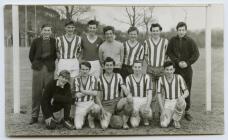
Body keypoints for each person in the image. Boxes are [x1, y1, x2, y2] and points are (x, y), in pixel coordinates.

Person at [166, 22, 200, 121]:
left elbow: (196, 54)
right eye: (179, 30)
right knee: (175, 89)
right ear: (177, 30)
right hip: (175, 69)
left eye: (183, 30)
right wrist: (176, 61)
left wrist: (187, 63)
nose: (181, 32)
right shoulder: (172, 40)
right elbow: (169, 52)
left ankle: (187, 111)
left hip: (187, 70)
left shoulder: (190, 41)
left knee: (187, 90)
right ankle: (175, 109)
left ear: (185, 30)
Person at [29, 24, 57, 124]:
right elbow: (31, 55)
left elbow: (54, 56)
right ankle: (34, 115)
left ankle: (47, 115)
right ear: (41, 31)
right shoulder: (36, 41)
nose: (47, 32)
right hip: (38, 69)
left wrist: (49, 64)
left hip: (49, 69)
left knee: (48, 92)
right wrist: (37, 64)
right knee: (36, 93)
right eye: (45, 30)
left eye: (49, 30)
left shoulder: (54, 41)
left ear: (51, 31)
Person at [96, 57, 133, 129]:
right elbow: (97, 96)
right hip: (106, 104)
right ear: (103, 66)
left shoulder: (118, 76)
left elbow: (124, 88)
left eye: (110, 65)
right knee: (104, 126)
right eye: (107, 65)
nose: (109, 67)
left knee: (128, 100)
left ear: (113, 66)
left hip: (117, 102)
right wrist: (102, 109)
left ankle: (124, 122)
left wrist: (129, 94)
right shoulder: (99, 79)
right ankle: (112, 117)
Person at [144, 23, 169, 118]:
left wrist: (162, 64)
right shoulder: (147, 42)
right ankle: (150, 111)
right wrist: (150, 63)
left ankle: (160, 111)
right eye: (153, 31)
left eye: (157, 31)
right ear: (151, 31)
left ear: (160, 31)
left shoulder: (165, 41)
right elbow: (146, 55)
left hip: (161, 69)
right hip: (150, 69)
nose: (155, 32)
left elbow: (167, 54)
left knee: (161, 91)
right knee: (151, 91)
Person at [157, 61, 189, 129]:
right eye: (167, 69)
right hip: (167, 103)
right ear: (164, 70)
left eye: (171, 69)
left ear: (174, 70)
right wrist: (162, 110)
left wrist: (182, 97)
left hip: (177, 101)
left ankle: (176, 120)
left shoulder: (179, 77)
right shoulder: (161, 79)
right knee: (163, 124)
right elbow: (159, 95)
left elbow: (186, 92)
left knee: (181, 102)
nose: (169, 72)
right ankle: (171, 116)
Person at [72, 61, 101, 129]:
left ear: (89, 70)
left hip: (90, 103)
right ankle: (83, 118)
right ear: (80, 69)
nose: (84, 71)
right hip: (80, 104)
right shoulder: (76, 79)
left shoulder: (93, 78)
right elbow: (77, 95)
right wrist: (89, 92)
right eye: (83, 69)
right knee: (78, 127)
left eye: (86, 69)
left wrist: (82, 91)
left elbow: (95, 93)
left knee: (97, 108)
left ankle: (90, 119)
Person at [125, 61, 153, 127]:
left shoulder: (147, 77)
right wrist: (133, 108)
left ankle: (145, 118)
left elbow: (150, 94)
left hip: (144, 101)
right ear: (132, 67)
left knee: (149, 115)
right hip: (134, 101)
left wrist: (147, 106)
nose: (137, 69)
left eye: (139, 67)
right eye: (135, 67)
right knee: (134, 125)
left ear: (141, 68)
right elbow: (129, 95)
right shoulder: (128, 78)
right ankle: (137, 115)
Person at [56, 20, 81, 85]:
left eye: (72, 27)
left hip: (74, 62)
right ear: (65, 28)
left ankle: (71, 95)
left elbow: (79, 51)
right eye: (68, 27)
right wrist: (61, 59)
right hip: (63, 62)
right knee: (62, 84)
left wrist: (74, 59)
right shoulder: (59, 39)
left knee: (72, 85)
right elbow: (57, 52)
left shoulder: (79, 39)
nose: (70, 29)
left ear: (74, 28)